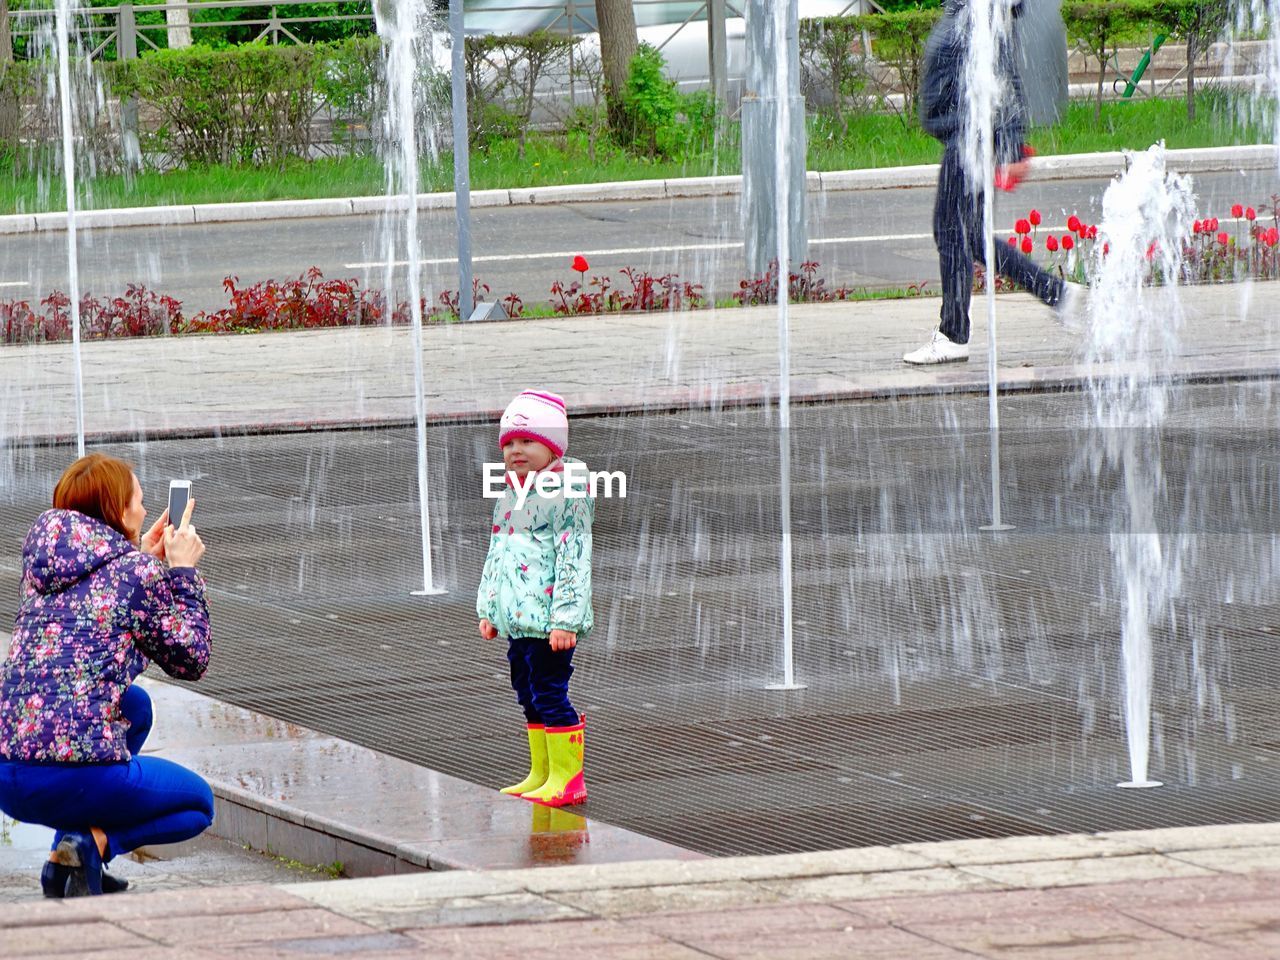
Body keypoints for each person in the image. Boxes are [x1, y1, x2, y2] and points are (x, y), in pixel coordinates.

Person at [0, 453, 214, 897]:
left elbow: (94, 610)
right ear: (118, 512)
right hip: (73, 776)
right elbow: (191, 658)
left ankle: (65, 862)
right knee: (198, 804)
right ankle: (93, 844)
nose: (144, 507)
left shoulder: (40, 565)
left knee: (134, 707)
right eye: (138, 499)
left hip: (7, 775)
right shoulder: (133, 575)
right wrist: (182, 574)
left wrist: (143, 563)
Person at [904, 0, 1080, 365]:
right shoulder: (969, 12)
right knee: (971, 238)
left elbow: (1005, 79)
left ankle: (953, 335)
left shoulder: (982, 16)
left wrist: (1012, 145)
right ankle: (1056, 293)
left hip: (971, 140)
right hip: (966, 137)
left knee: (952, 232)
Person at [477, 389, 594, 808]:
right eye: (509, 443)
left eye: (527, 441)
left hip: (549, 622)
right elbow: (498, 553)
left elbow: (573, 560)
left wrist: (566, 619)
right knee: (526, 691)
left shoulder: (567, 495)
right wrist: (490, 608)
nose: (515, 451)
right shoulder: (510, 494)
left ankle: (569, 778)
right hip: (519, 620)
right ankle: (541, 772)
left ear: (551, 447)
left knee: (549, 691)